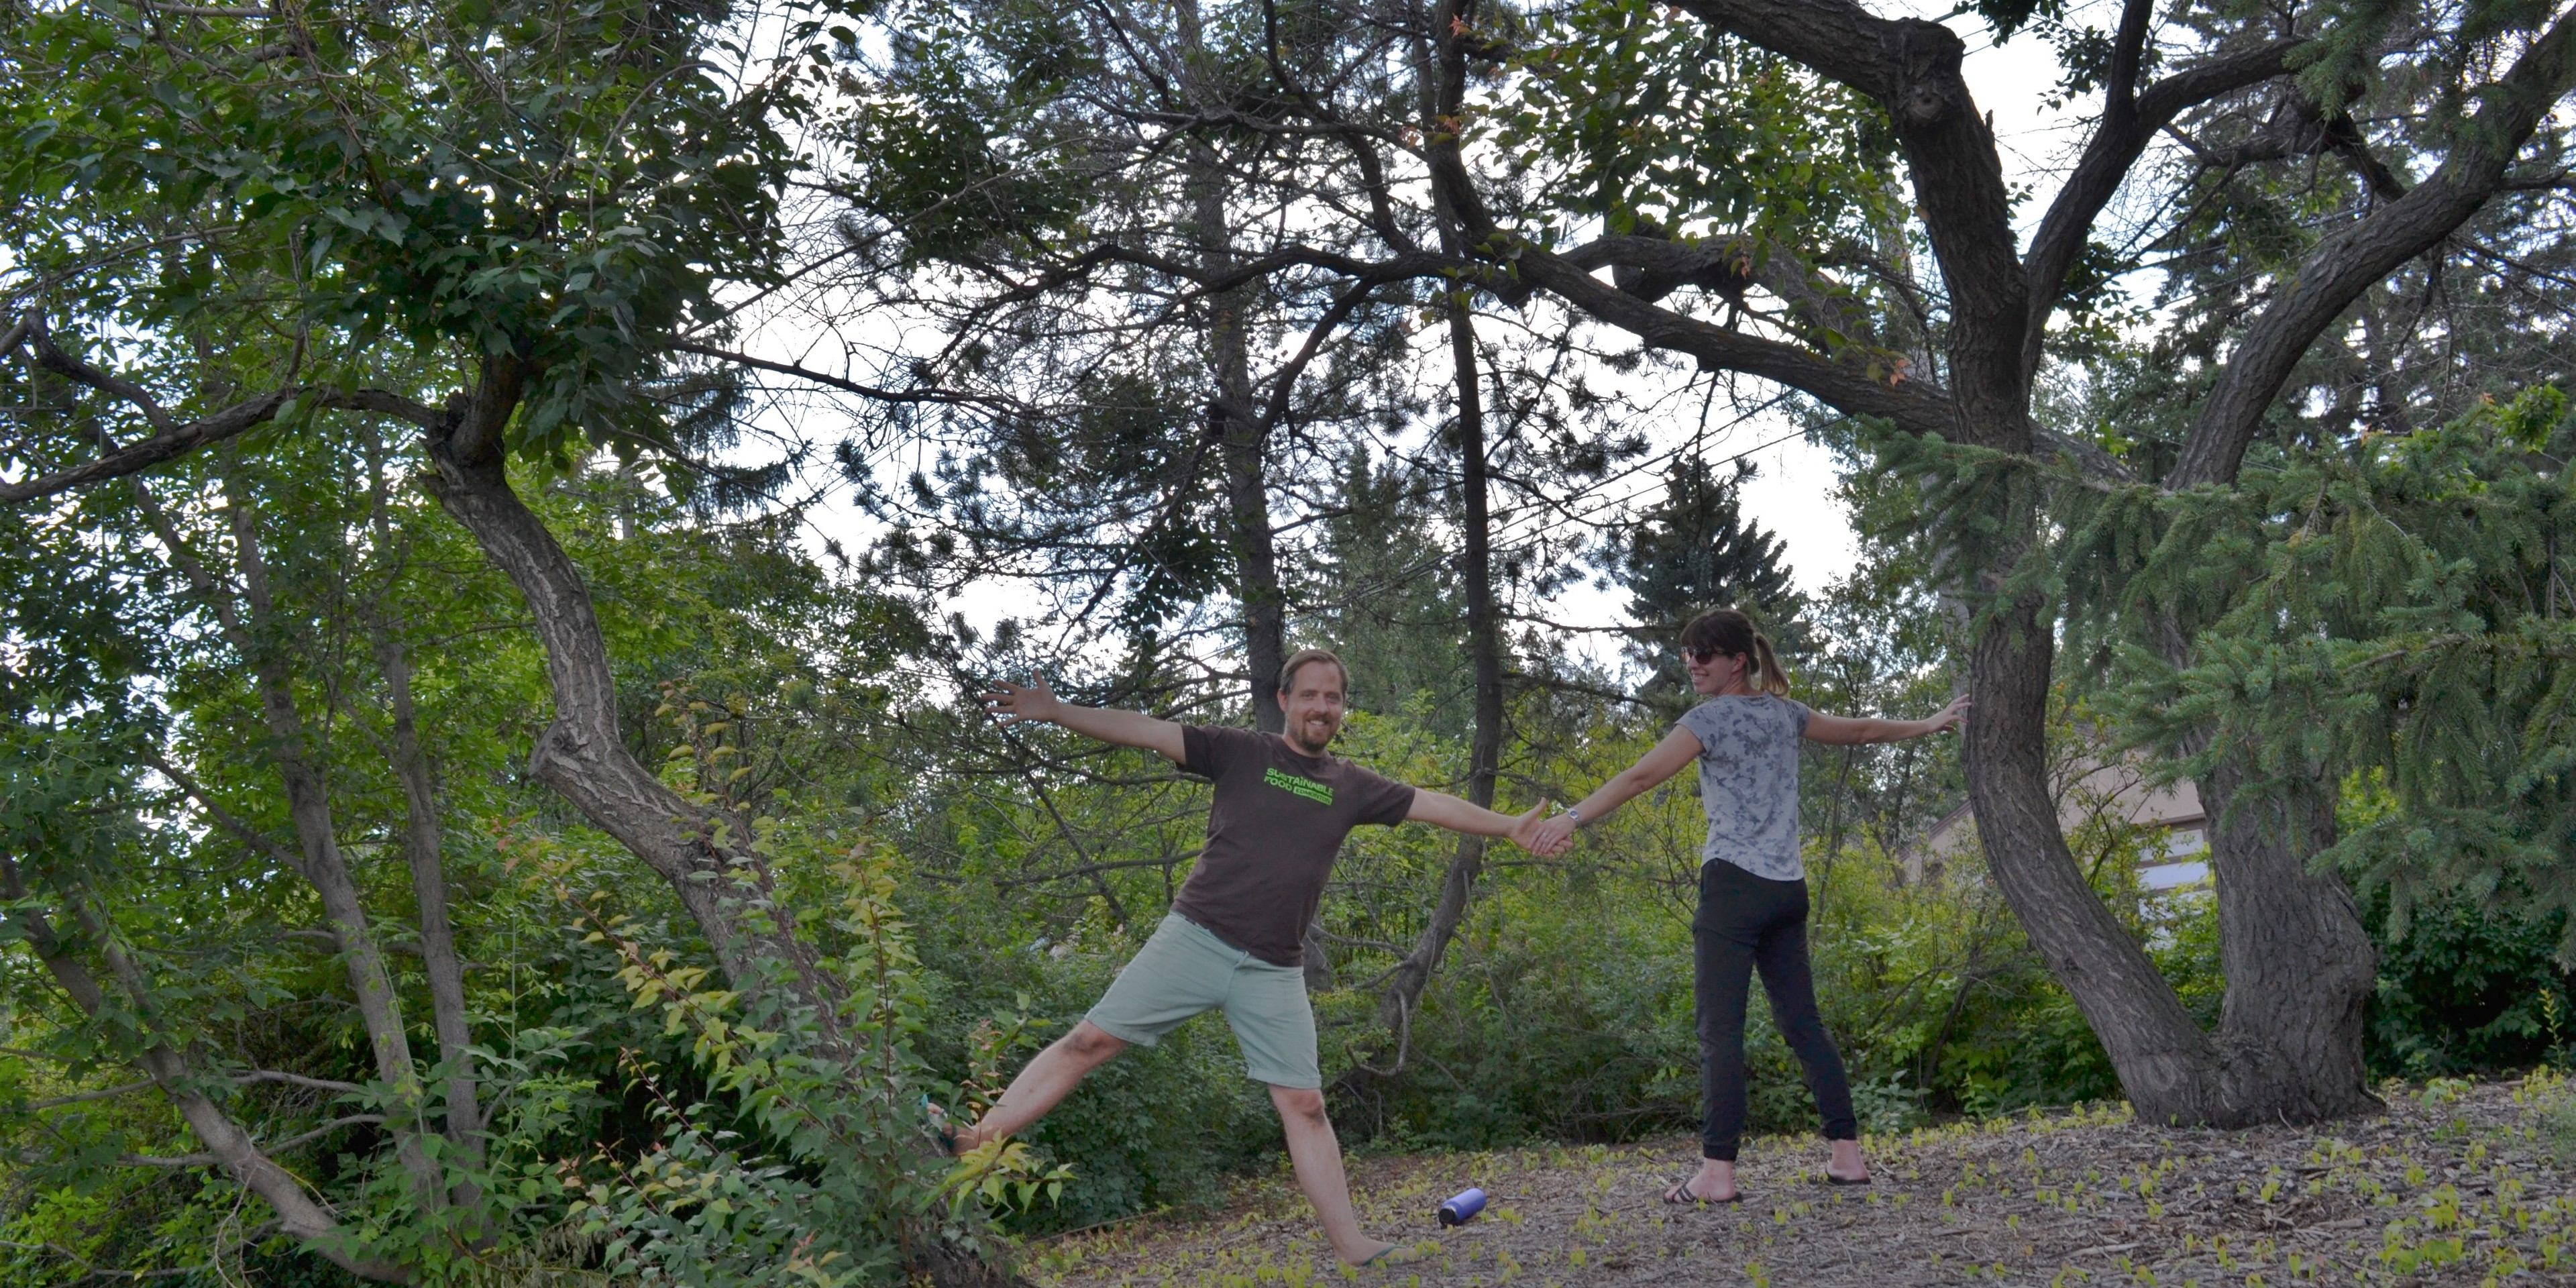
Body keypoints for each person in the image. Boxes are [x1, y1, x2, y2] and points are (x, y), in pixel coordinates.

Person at [954, 648, 1550, 1267]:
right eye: (1311, 695)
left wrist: (1506, 825)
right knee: (1088, 1043)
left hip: (1273, 968)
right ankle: (978, 1138)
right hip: (1195, 938)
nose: (1323, 706)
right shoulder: (1240, 751)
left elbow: (1434, 804)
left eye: (1334, 698)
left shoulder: (1352, 786)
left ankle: (1352, 1245)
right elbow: (1144, 730)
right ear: (1285, 700)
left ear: (1342, 709)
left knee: (1306, 1104)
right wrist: (1056, 712)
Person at [1526, 608, 1968, 1204]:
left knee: (1720, 1032)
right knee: (1803, 1024)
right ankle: (1847, 1156)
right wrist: (1930, 721)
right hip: (1788, 889)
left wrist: (1570, 817)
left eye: (1703, 655)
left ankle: (1717, 1172)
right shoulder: (1788, 715)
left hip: (1734, 887)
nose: (1692, 665)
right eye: (1686, 655)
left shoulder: (1708, 720)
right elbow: (1862, 731)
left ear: (1737, 660)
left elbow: (1638, 777)